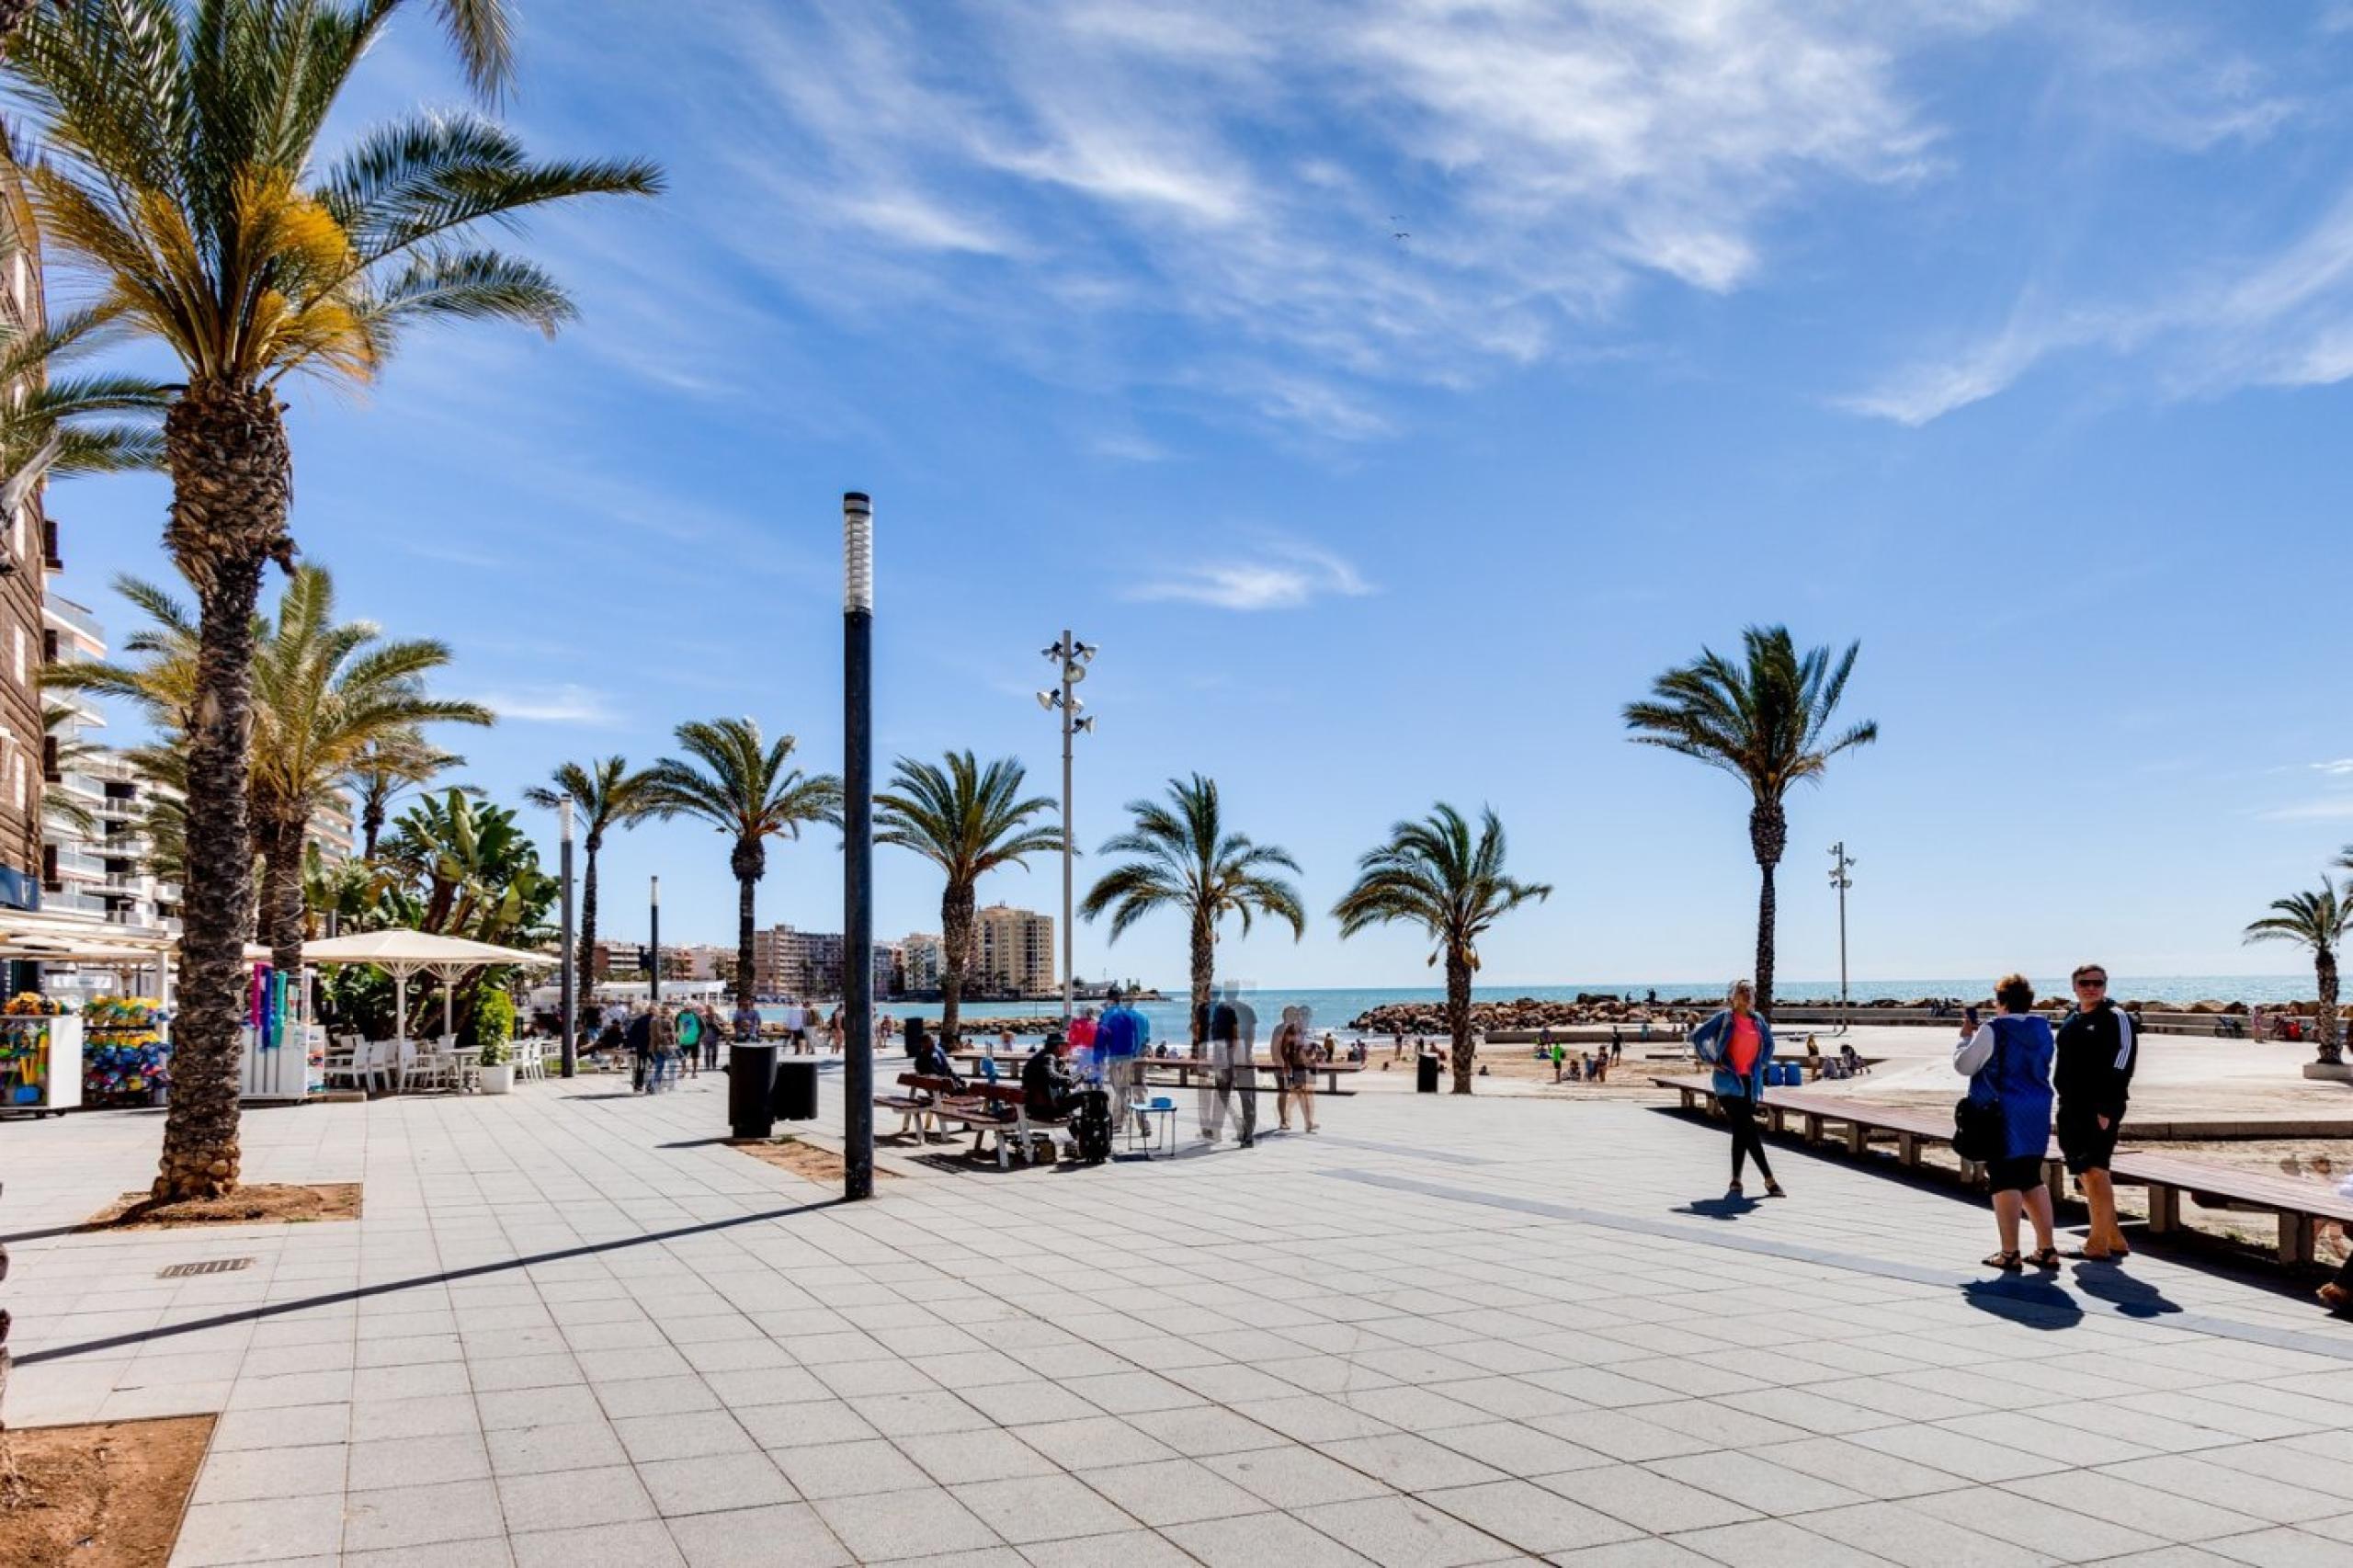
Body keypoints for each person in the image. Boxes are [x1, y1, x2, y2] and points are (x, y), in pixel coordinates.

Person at [1954, 973, 2061, 1271]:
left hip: (2001, 1111)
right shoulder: (2042, 1029)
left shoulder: (1993, 1030)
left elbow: (1964, 1066)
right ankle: (2046, 1248)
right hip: (2036, 1107)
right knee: (2030, 1176)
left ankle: (2010, 1252)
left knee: (2003, 1178)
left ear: (2000, 1002)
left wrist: (1965, 1037)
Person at [2055, 962, 2137, 1261]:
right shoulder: (2072, 1018)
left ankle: (2096, 1244)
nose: (2091, 988)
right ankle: (2114, 1238)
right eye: (2085, 983)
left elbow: (2123, 1062)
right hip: (2070, 1106)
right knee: (2085, 1173)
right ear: (2074, 985)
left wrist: (2108, 1106)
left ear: (2105, 985)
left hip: (2099, 1107)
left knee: (2096, 1170)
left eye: (2097, 983)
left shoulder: (2116, 1018)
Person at [1688, 980, 1784, 1199]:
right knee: (1747, 1127)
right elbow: (1698, 1036)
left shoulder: (1758, 1020)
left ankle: (1736, 1180)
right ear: (1733, 996)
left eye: (1749, 991)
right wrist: (1712, 1059)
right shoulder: (1725, 1019)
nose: (1747, 994)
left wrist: (1762, 1063)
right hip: (1728, 1083)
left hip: (1750, 1083)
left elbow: (1769, 1044)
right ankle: (1769, 1179)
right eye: (1742, 991)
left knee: (1741, 1131)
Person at [1203, 982, 1257, 1147]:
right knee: (1243, 1096)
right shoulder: (1243, 1010)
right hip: (1238, 1054)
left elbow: (1222, 1037)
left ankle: (1244, 1130)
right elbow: (1250, 1035)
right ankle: (1245, 1131)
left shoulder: (1223, 1011)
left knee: (1229, 1094)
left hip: (1232, 1054)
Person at [1095, 987, 1148, 1132]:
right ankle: (1142, 1124)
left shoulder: (1106, 1015)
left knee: (1120, 1091)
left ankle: (1119, 1123)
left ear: (1108, 998)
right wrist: (1134, 1052)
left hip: (1115, 1057)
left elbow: (1101, 1037)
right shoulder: (1130, 1015)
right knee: (1136, 1091)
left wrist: (1097, 1057)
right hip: (1131, 1056)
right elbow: (1137, 1036)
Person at [1022, 1030, 1082, 1120]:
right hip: (1043, 1109)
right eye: (1066, 1046)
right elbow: (1052, 1077)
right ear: (1059, 1047)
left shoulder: (1041, 1056)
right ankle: (1088, 1133)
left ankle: (1080, 1133)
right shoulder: (1048, 1058)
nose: (1068, 1049)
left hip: (1034, 1106)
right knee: (1090, 1097)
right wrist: (1072, 1079)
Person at [1285, 1011, 1321, 1133]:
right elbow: (1288, 1050)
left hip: (1309, 1065)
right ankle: (1288, 1113)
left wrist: (1315, 1051)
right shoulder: (1292, 1031)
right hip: (1299, 1066)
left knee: (1308, 1095)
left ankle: (1309, 1122)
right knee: (1301, 1095)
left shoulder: (1307, 1031)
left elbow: (1310, 1046)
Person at [626, 1006, 652, 1093]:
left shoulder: (639, 1020)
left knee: (641, 1066)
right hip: (653, 1047)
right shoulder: (655, 1020)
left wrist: (632, 1046)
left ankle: (638, 1085)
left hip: (641, 1047)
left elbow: (631, 1034)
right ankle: (650, 1085)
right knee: (654, 1066)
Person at [675, 1004, 702, 1077]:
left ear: (691, 1008)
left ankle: (694, 1072)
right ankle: (683, 1071)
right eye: (686, 1008)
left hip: (695, 1040)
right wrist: (677, 1037)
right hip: (683, 1040)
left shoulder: (696, 1016)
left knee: (695, 1057)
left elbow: (703, 1027)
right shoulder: (679, 1016)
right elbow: (675, 1026)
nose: (687, 1009)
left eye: (688, 1008)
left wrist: (699, 1036)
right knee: (683, 1057)